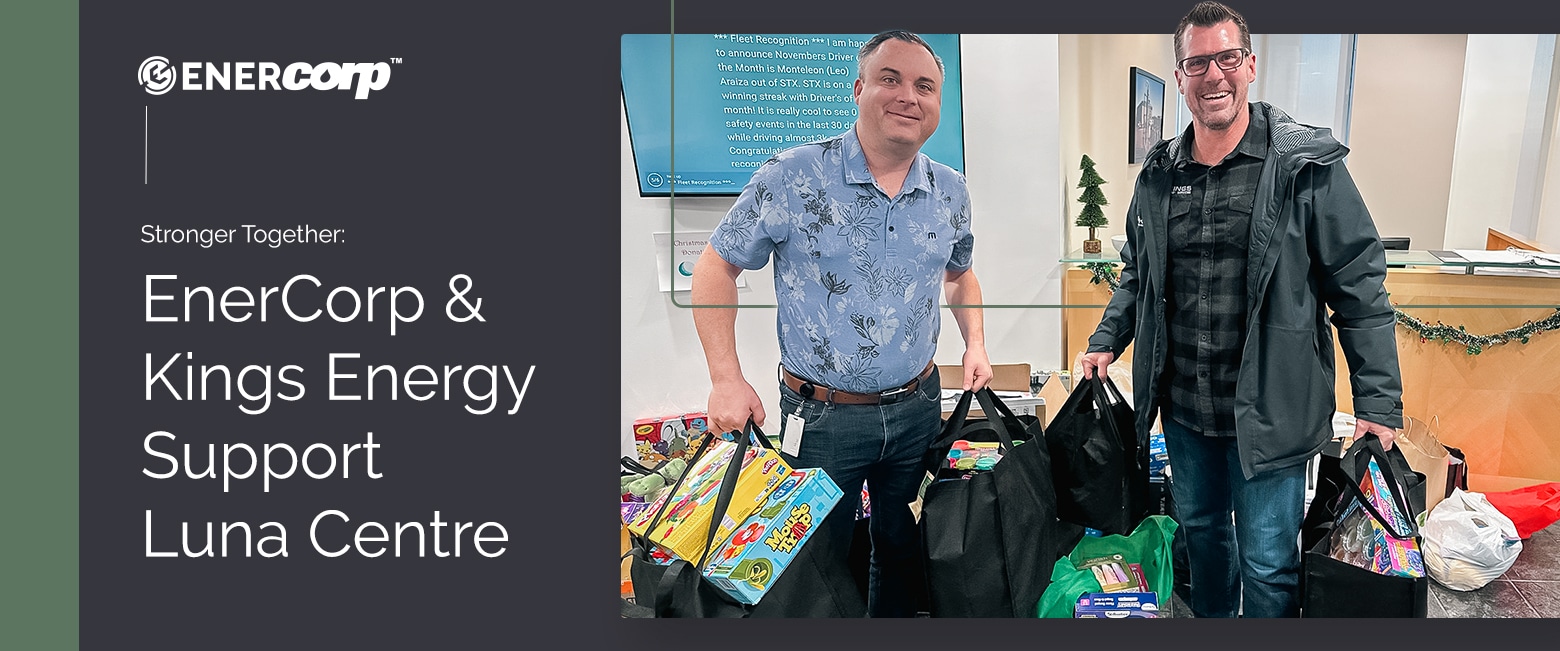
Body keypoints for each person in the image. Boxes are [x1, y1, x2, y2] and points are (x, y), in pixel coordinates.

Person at [1080, 1, 1404, 618]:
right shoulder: (1158, 175)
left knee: (1268, 563)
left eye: (1227, 58)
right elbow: (1138, 273)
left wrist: (1379, 402)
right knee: (1203, 542)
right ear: (1180, 76)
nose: (1214, 75)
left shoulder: (1305, 168)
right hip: (1185, 409)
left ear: (1250, 65)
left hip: (1273, 410)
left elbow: (1360, 288)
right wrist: (1106, 338)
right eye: (1197, 63)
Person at [690, 30, 992, 617]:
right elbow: (715, 266)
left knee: (902, 547)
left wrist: (975, 343)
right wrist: (725, 379)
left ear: (938, 103)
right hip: (823, 418)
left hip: (917, 407)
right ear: (858, 89)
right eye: (890, 79)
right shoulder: (793, 175)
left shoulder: (950, 189)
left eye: (924, 86)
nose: (908, 96)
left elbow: (960, 274)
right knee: (814, 563)